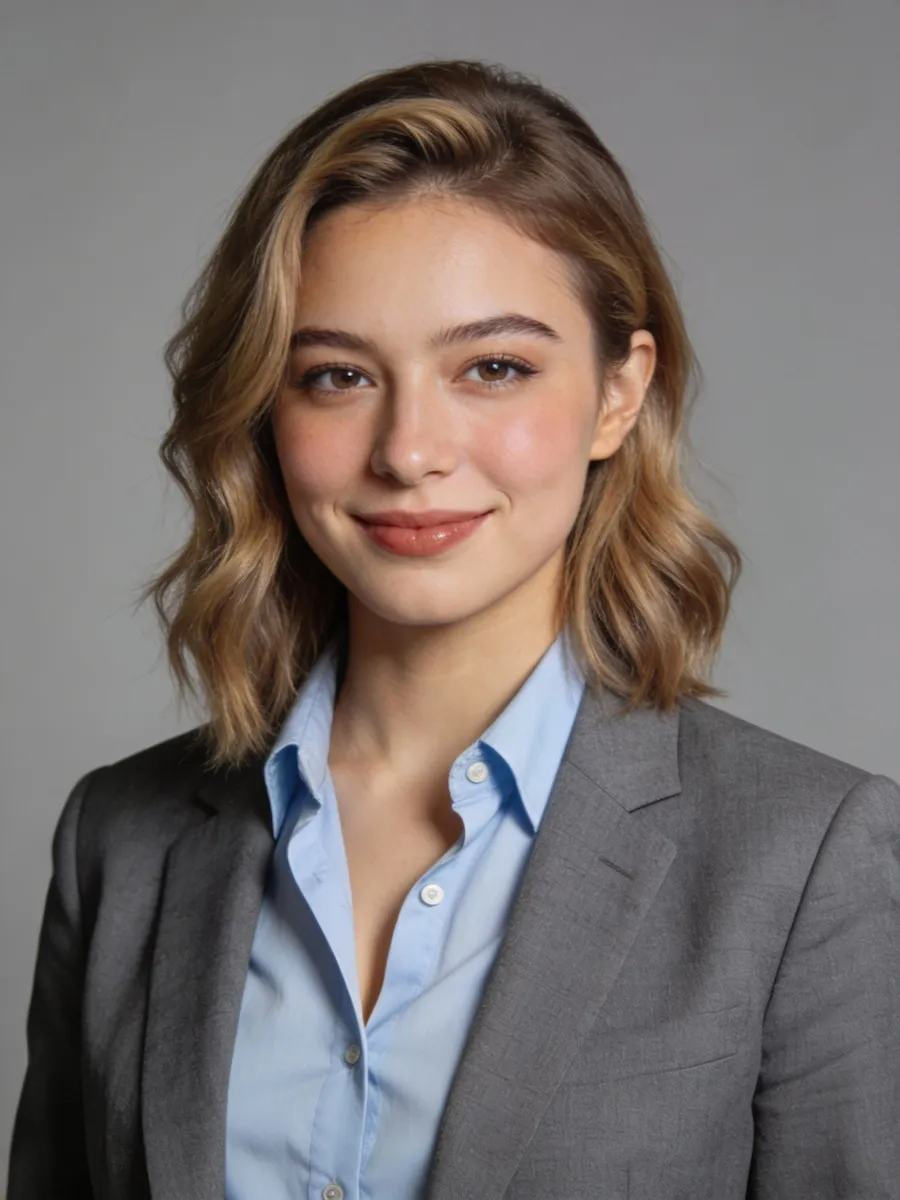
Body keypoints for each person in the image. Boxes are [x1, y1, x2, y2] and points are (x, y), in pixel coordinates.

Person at [8, 57, 899, 1200]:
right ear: (263, 409)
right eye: (335, 375)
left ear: (619, 394)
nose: (410, 451)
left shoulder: (804, 862)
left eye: (493, 367)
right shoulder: (120, 841)